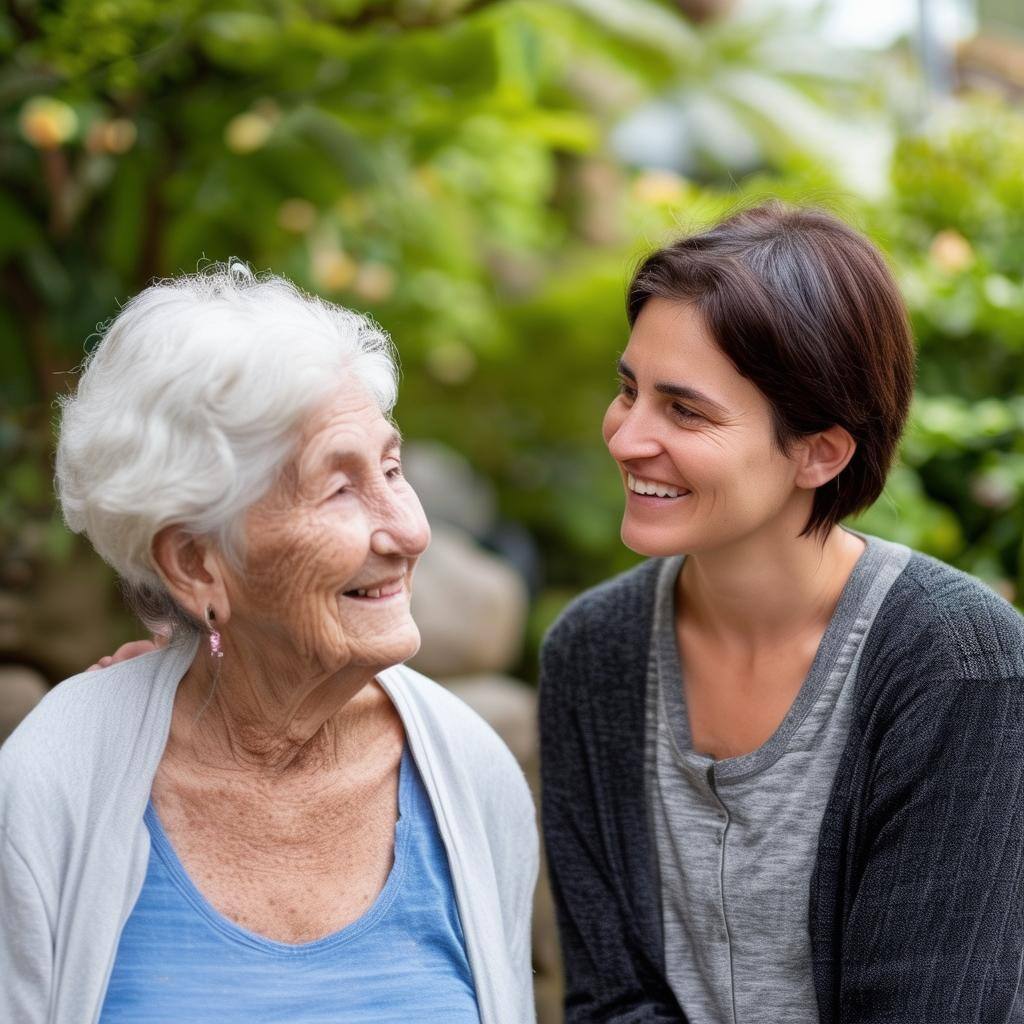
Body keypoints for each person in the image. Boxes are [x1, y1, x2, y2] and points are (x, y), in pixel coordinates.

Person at [0, 264, 537, 1024]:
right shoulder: (57, 781)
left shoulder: (468, 770)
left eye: (391, 467)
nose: (412, 530)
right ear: (195, 564)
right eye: (339, 487)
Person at [539, 203, 1024, 1023]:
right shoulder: (592, 654)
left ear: (820, 451)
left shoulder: (963, 667)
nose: (625, 438)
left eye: (684, 411)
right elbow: (609, 999)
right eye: (630, 391)